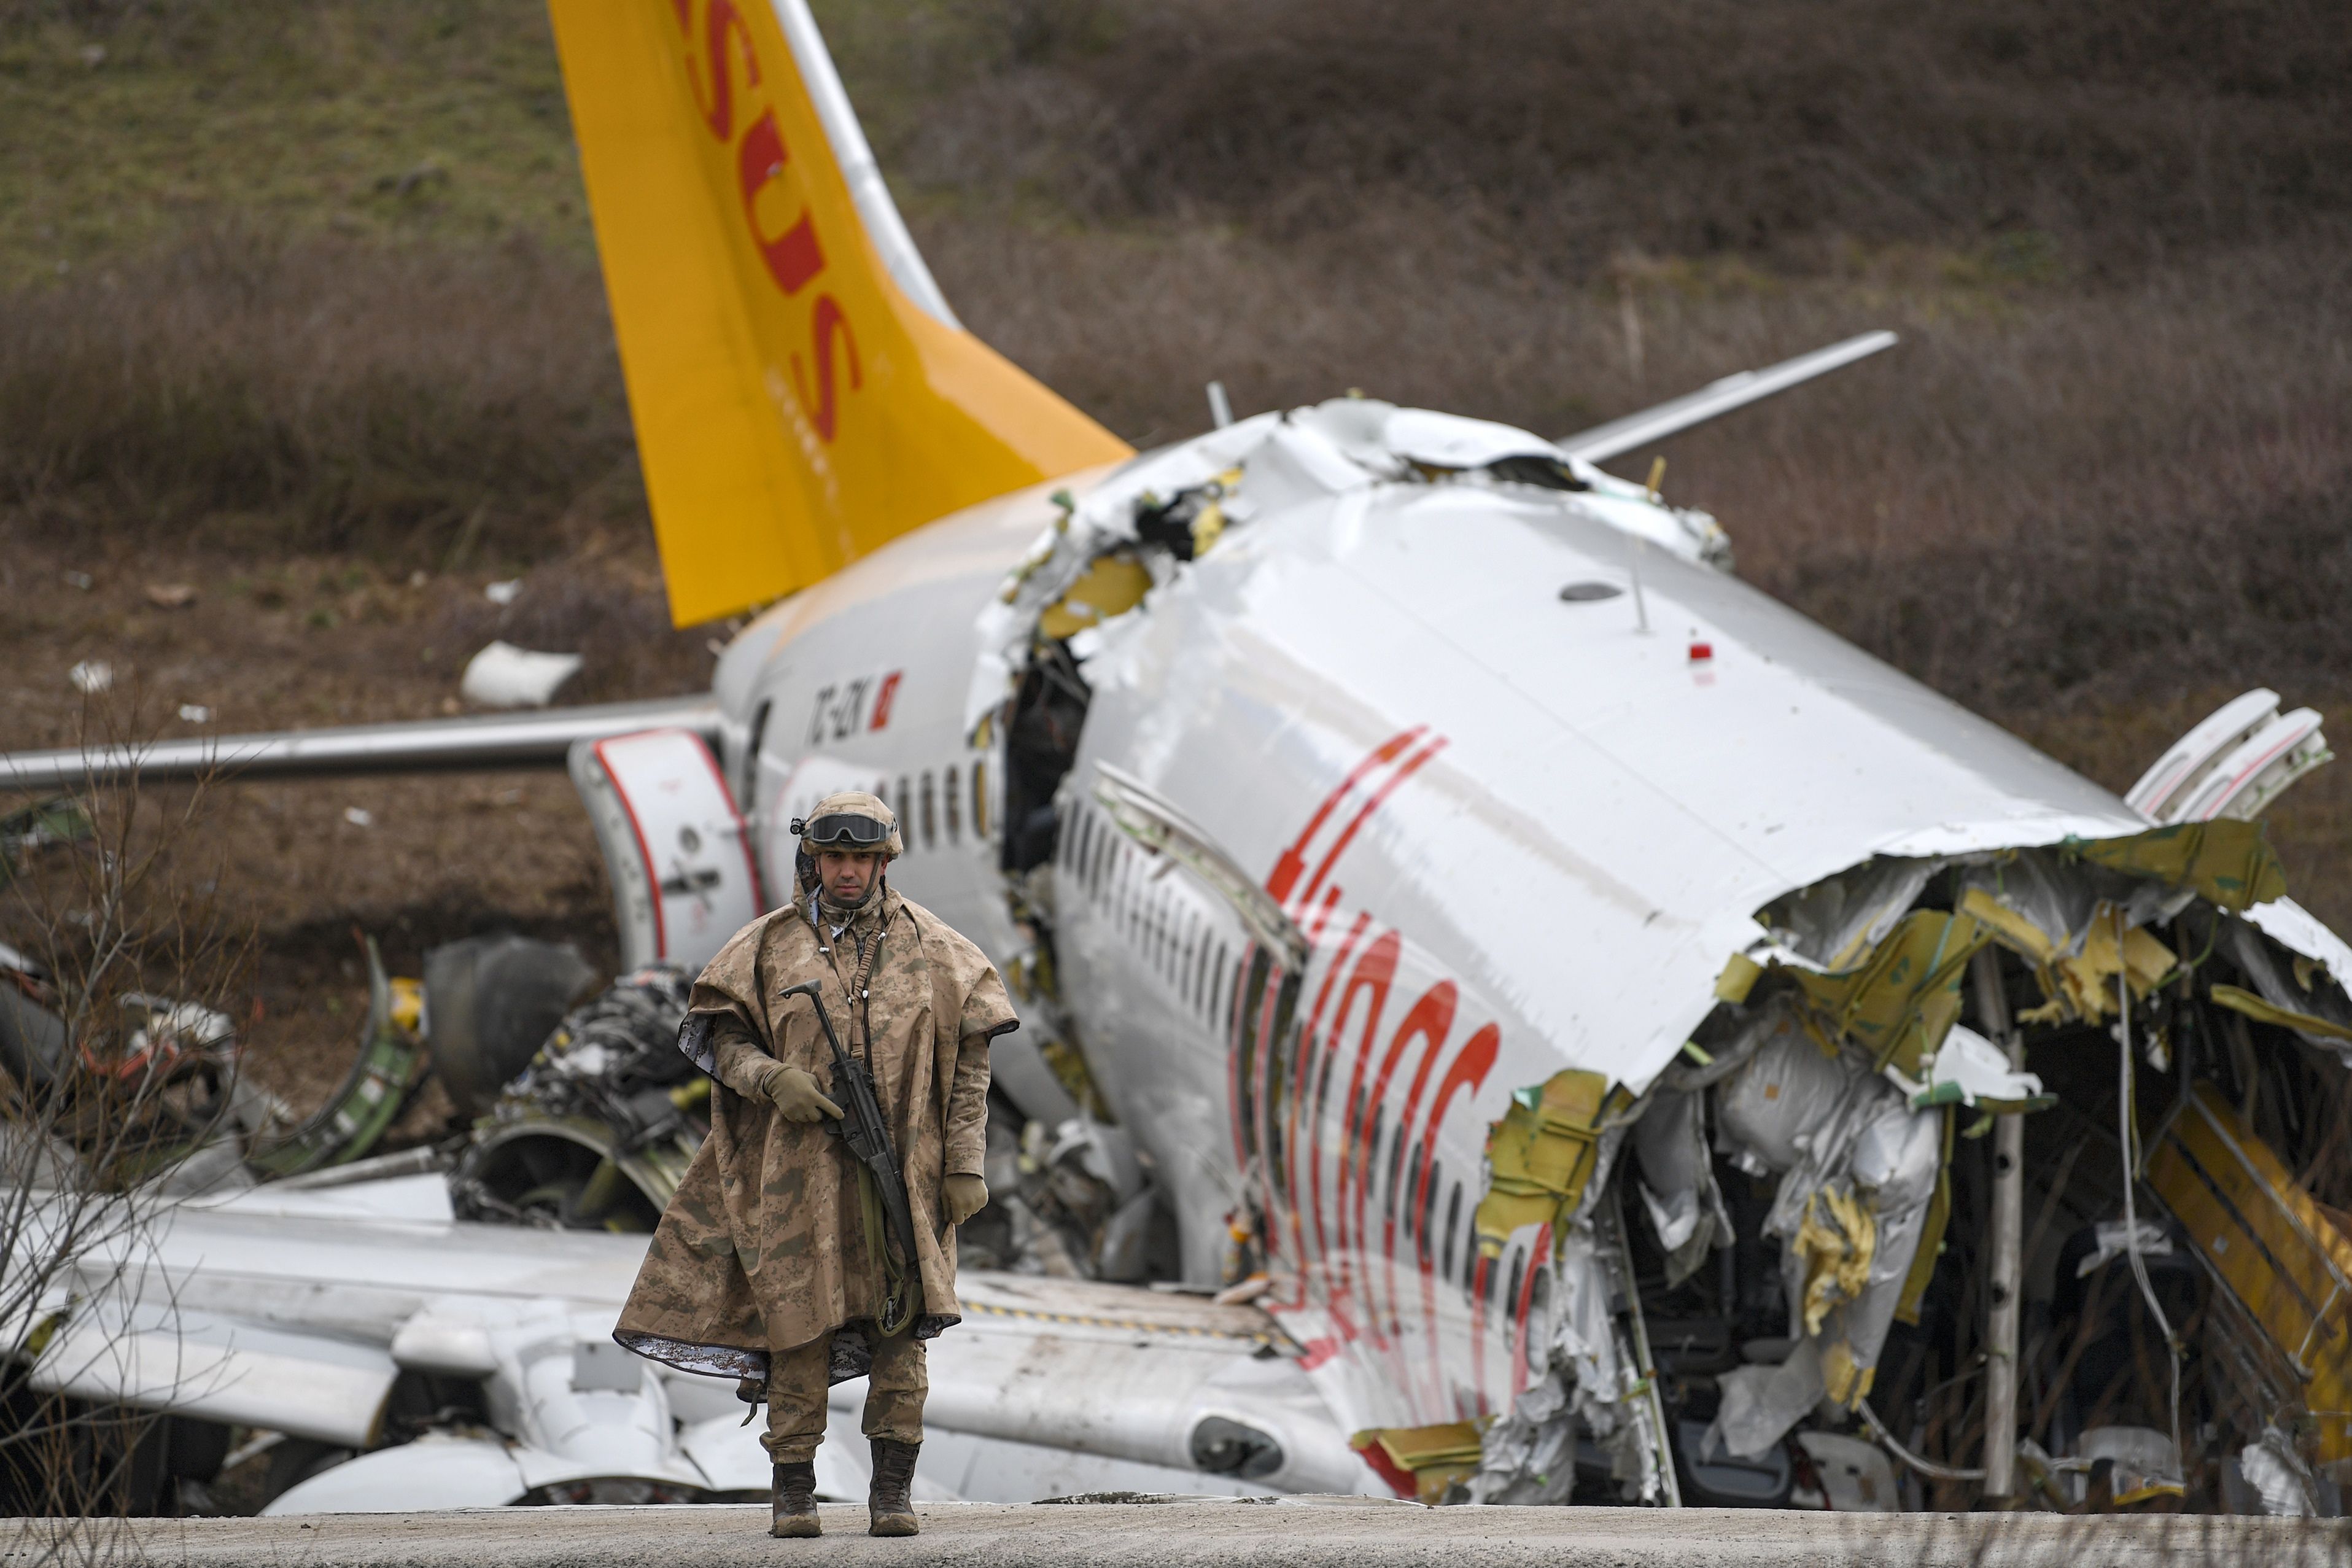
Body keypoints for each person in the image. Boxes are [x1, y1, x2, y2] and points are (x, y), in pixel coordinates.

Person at [613, 791, 1016, 1537]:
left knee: (904, 1331)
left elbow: (970, 1065)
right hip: (797, 1178)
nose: (848, 872)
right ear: (814, 858)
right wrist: (770, 1078)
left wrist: (965, 1163)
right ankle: (793, 1495)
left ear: (884, 860)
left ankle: (892, 1496)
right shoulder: (765, 948)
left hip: (907, 1175)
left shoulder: (940, 952)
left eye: (862, 858)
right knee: (796, 1329)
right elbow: (722, 1039)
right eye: (835, 857)